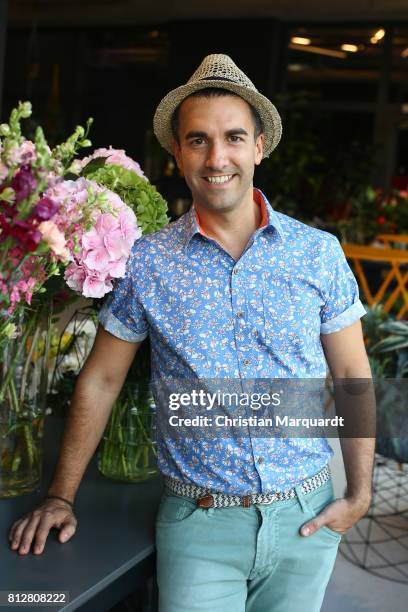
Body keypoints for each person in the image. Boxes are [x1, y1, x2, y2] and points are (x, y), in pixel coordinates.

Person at [9, 54, 375, 612]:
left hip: (307, 519)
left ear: (259, 147)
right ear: (177, 153)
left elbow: (352, 375)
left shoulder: (318, 253)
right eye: (198, 140)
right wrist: (60, 494)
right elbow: (103, 379)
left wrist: (359, 495)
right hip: (199, 525)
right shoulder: (149, 262)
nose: (216, 157)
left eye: (233, 137)